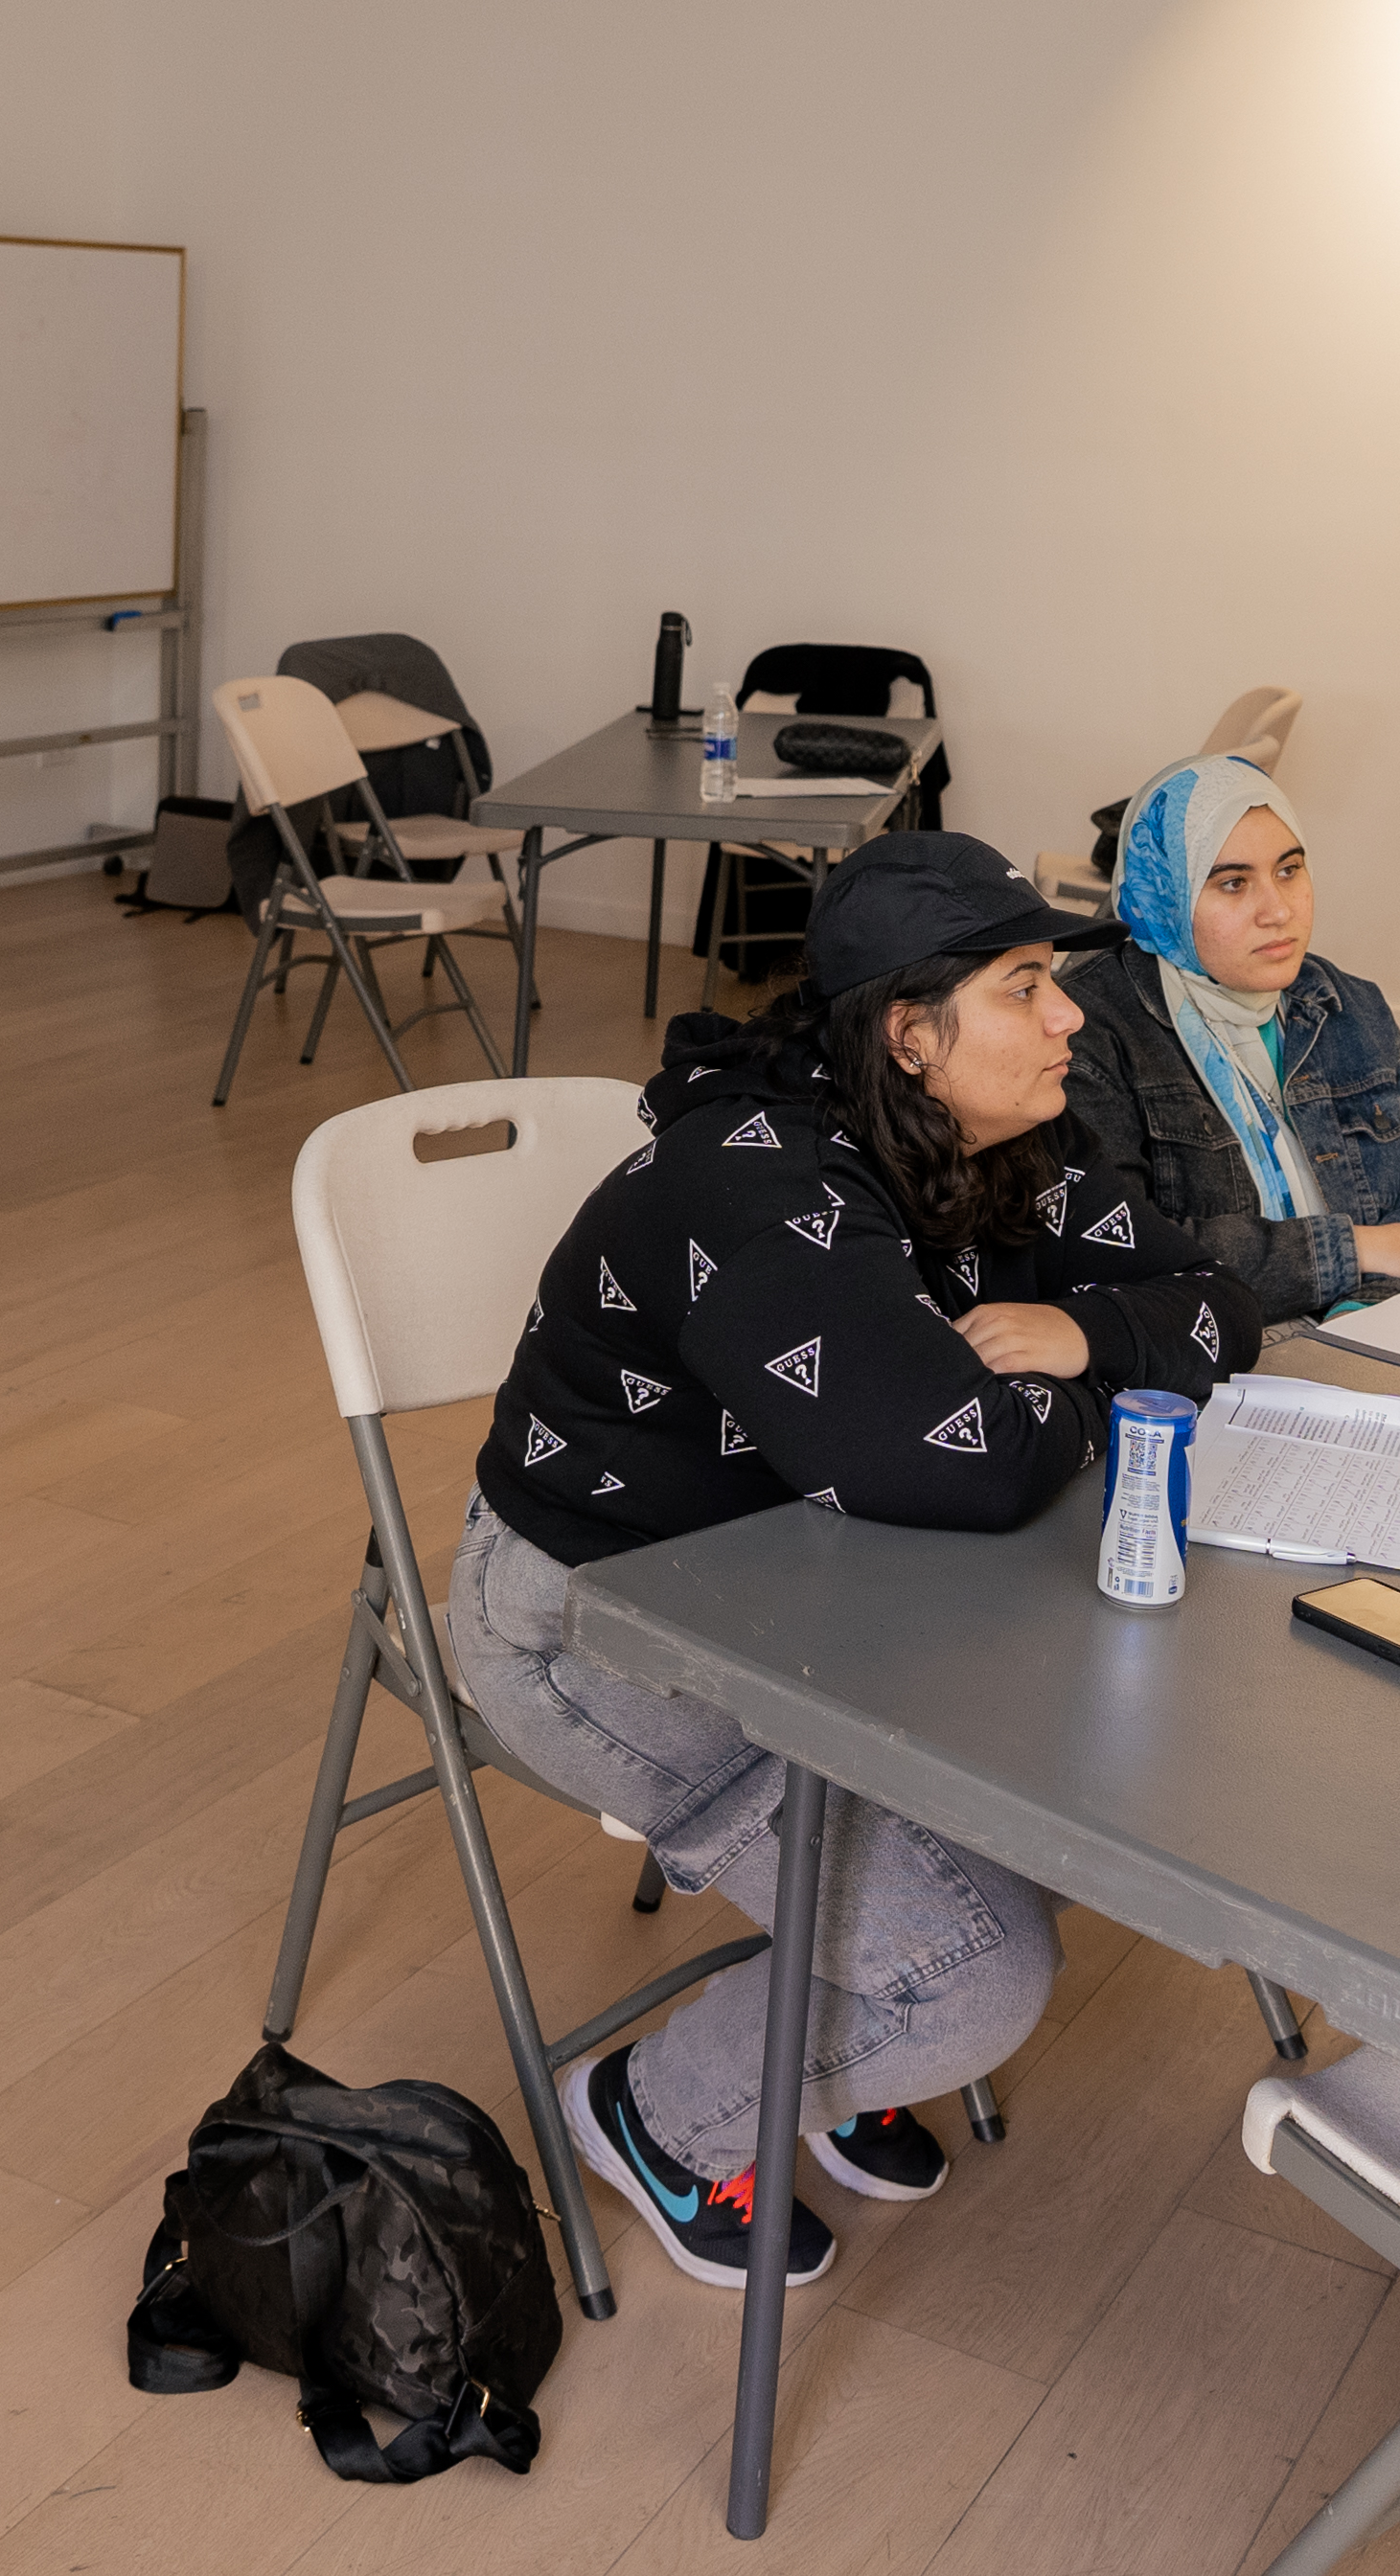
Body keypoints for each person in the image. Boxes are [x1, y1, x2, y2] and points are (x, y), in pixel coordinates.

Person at [448, 832, 1256, 2290]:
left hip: (807, 1582)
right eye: (1026, 987)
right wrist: (1068, 1402)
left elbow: (1211, 1294)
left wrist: (1075, 1341)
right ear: (907, 1030)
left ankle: (824, 2051)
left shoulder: (992, 1135)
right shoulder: (757, 1183)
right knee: (973, 1976)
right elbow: (959, 1458)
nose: (1074, 1017)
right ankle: (660, 2116)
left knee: (1060, 1792)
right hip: (596, 1619)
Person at [1059, 754, 1400, 1329]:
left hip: (1373, 1328)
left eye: (1289, 870)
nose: (1278, 911)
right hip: (1210, 1353)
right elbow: (1121, 1254)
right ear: (1163, 897)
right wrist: (1355, 1250)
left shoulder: (1347, 1004)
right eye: (1233, 883)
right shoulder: (1086, 1033)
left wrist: (1361, 1321)